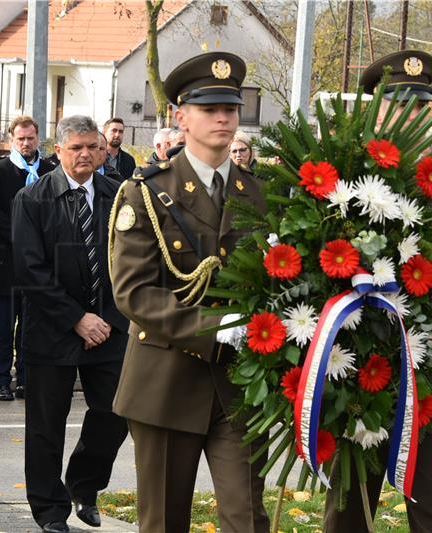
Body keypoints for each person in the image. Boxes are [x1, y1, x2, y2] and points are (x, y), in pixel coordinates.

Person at [323, 49, 432, 533]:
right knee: (350, 510)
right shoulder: (345, 181)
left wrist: (426, 322)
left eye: (421, 107)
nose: (413, 117)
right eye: (401, 106)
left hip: (430, 370)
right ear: (377, 110)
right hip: (358, 370)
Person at [109, 52, 269, 532]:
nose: (223, 118)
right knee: (163, 521)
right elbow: (134, 293)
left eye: (231, 108)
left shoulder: (258, 193)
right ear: (181, 117)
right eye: (209, 108)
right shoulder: (144, 192)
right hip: (165, 379)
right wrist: (217, 328)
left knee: (247, 518)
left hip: (240, 387)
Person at [12, 115, 128, 533]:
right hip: (52, 330)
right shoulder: (34, 199)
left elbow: (130, 264)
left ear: (102, 149)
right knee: (46, 425)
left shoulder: (119, 196)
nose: (85, 155)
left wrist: (109, 319)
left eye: (92, 147)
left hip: (110, 328)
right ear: (57, 150)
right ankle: (49, 510)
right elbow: (29, 270)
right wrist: (77, 318)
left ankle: (84, 484)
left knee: (118, 412)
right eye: (75, 147)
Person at [0, 116, 55, 401]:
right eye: (21, 139)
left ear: (38, 139)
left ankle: (25, 376)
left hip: (39, 260)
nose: (26, 144)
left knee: (30, 323)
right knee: (3, 322)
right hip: (7, 257)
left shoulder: (49, 170)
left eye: (31, 138)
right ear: (11, 139)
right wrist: (21, 235)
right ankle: (2, 377)